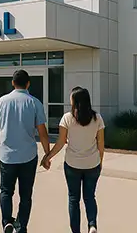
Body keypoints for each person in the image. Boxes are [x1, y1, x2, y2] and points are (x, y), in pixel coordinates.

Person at [0, 69, 51, 233]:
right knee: (26, 195)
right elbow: (42, 132)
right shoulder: (34, 102)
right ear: (28, 83)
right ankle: (21, 225)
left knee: (6, 191)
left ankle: (7, 222)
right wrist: (47, 154)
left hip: (7, 156)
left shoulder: (2, 102)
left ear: (12, 83)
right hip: (28, 157)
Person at [41, 87, 105, 233]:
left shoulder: (67, 118)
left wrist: (47, 156)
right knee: (89, 197)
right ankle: (92, 225)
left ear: (75, 101)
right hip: (92, 164)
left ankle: (75, 231)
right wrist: (100, 162)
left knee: (73, 199)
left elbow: (61, 142)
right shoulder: (97, 118)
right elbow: (101, 144)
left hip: (72, 165)